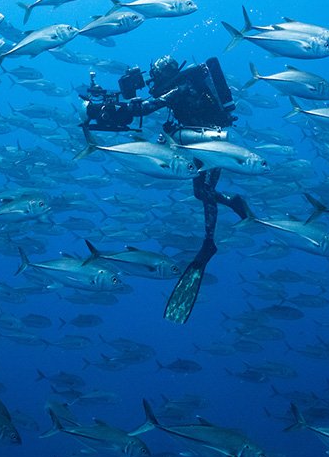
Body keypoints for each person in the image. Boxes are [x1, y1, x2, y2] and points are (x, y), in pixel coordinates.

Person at [81, 55, 250, 323]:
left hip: (208, 145)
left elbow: (150, 106)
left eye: (155, 77)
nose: (153, 82)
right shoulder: (185, 86)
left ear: (165, 74)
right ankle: (228, 206)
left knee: (204, 192)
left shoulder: (179, 87)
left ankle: (210, 241)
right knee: (202, 192)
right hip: (201, 142)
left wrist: (116, 109)